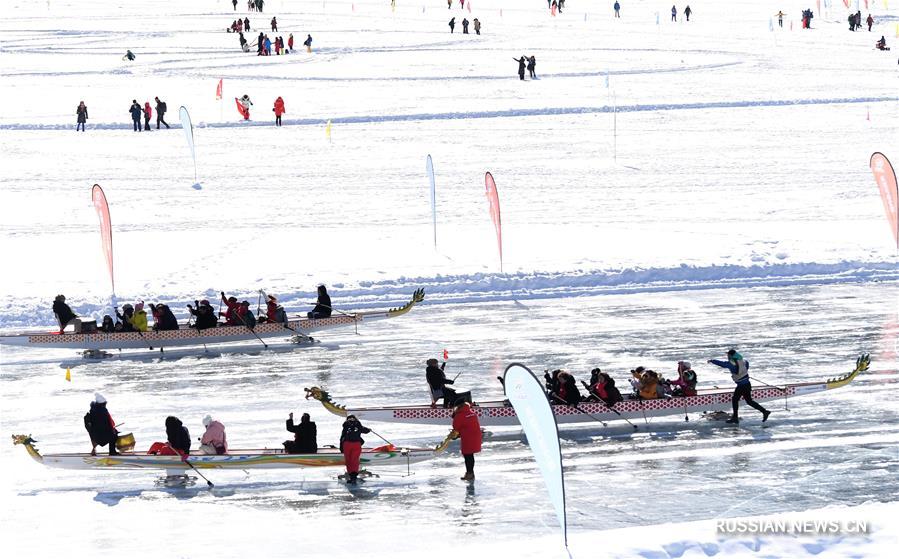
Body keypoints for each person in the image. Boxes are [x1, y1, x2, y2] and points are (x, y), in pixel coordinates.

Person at [708, 349, 770, 424]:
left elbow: (723, 364)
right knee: (749, 401)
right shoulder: (744, 361)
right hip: (747, 384)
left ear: (731, 355)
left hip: (742, 385)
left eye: (728, 355)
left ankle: (735, 418)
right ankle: (764, 411)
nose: (727, 356)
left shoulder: (732, 363)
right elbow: (746, 366)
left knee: (735, 400)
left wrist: (712, 361)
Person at [452, 401, 482, 481]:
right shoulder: (472, 413)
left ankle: (470, 473)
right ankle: (470, 473)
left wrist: (453, 436)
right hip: (475, 436)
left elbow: (456, 428)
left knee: (468, 456)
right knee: (470, 455)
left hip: (468, 438)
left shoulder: (460, 415)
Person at [339, 415, 371, 484]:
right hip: (356, 444)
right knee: (355, 460)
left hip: (347, 444)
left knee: (348, 461)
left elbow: (342, 437)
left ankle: (351, 476)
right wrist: (369, 430)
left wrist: (341, 448)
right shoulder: (358, 424)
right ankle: (354, 477)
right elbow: (364, 430)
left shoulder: (346, 425)